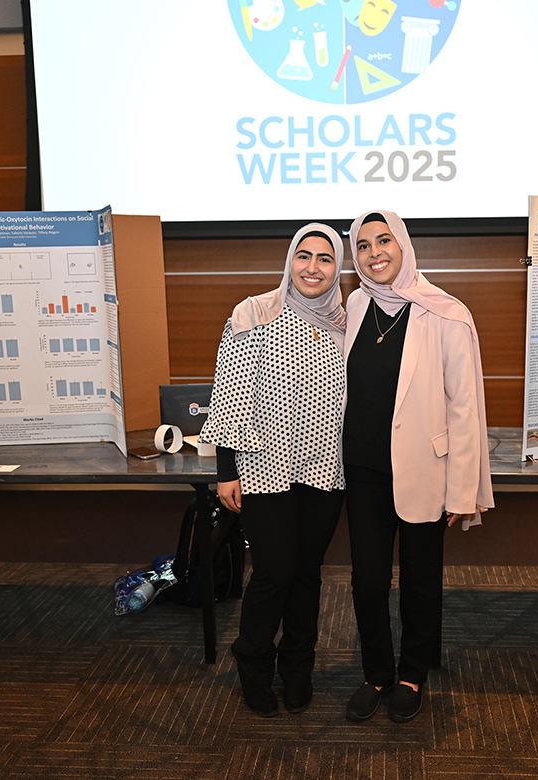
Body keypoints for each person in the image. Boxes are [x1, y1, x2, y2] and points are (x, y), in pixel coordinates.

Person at [342, 210, 493, 723]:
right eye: (362, 245)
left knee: (421, 580)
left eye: (384, 240)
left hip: (425, 468)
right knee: (366, 580)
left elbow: (465, 410)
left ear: (403, 245)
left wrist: (461, 491)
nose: (374, 252)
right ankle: (377, 672)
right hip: (362, 470)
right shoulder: (356, 304)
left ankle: (411, 674)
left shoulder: (446, 313)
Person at [199, 223, 348, 717]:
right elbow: (229, 395)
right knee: (274, 572)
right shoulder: (255, 311)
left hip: (327, 469)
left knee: (307, 574)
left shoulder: (348, 321)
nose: (312, 267)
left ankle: (298, 668)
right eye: (303, 256)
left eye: (325, 259)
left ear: (338, 266)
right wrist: (226, 470)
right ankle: (254, 662)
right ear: (289, 260)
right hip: (264, 467)